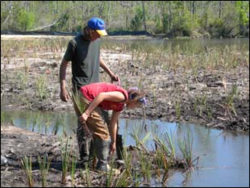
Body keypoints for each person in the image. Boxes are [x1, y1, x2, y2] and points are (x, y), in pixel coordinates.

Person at [59, 17, 119, 168]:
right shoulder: (74, 43)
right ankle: (84, 158)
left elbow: (98, 58)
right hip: (80, 90)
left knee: (101, 121)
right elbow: (63, 65)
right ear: (90, 30)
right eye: (97, 33)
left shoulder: (96, 41)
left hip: (96, 90)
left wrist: (111, 73)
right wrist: (63, 87)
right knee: (84, 124)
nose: (99, 36)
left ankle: (95, 156)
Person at [78, 82, 147, 171]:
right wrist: (87, 113)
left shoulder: (120, 105)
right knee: (103, 133)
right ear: (134, 100)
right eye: (136, 105)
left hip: (85, 96)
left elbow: (113, 123)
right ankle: (102, 166)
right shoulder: (122, 96)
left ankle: (92, 162)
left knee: (98, 133)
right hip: (86, 96)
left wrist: (113, 142)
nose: (135, 108)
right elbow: (101, 95)